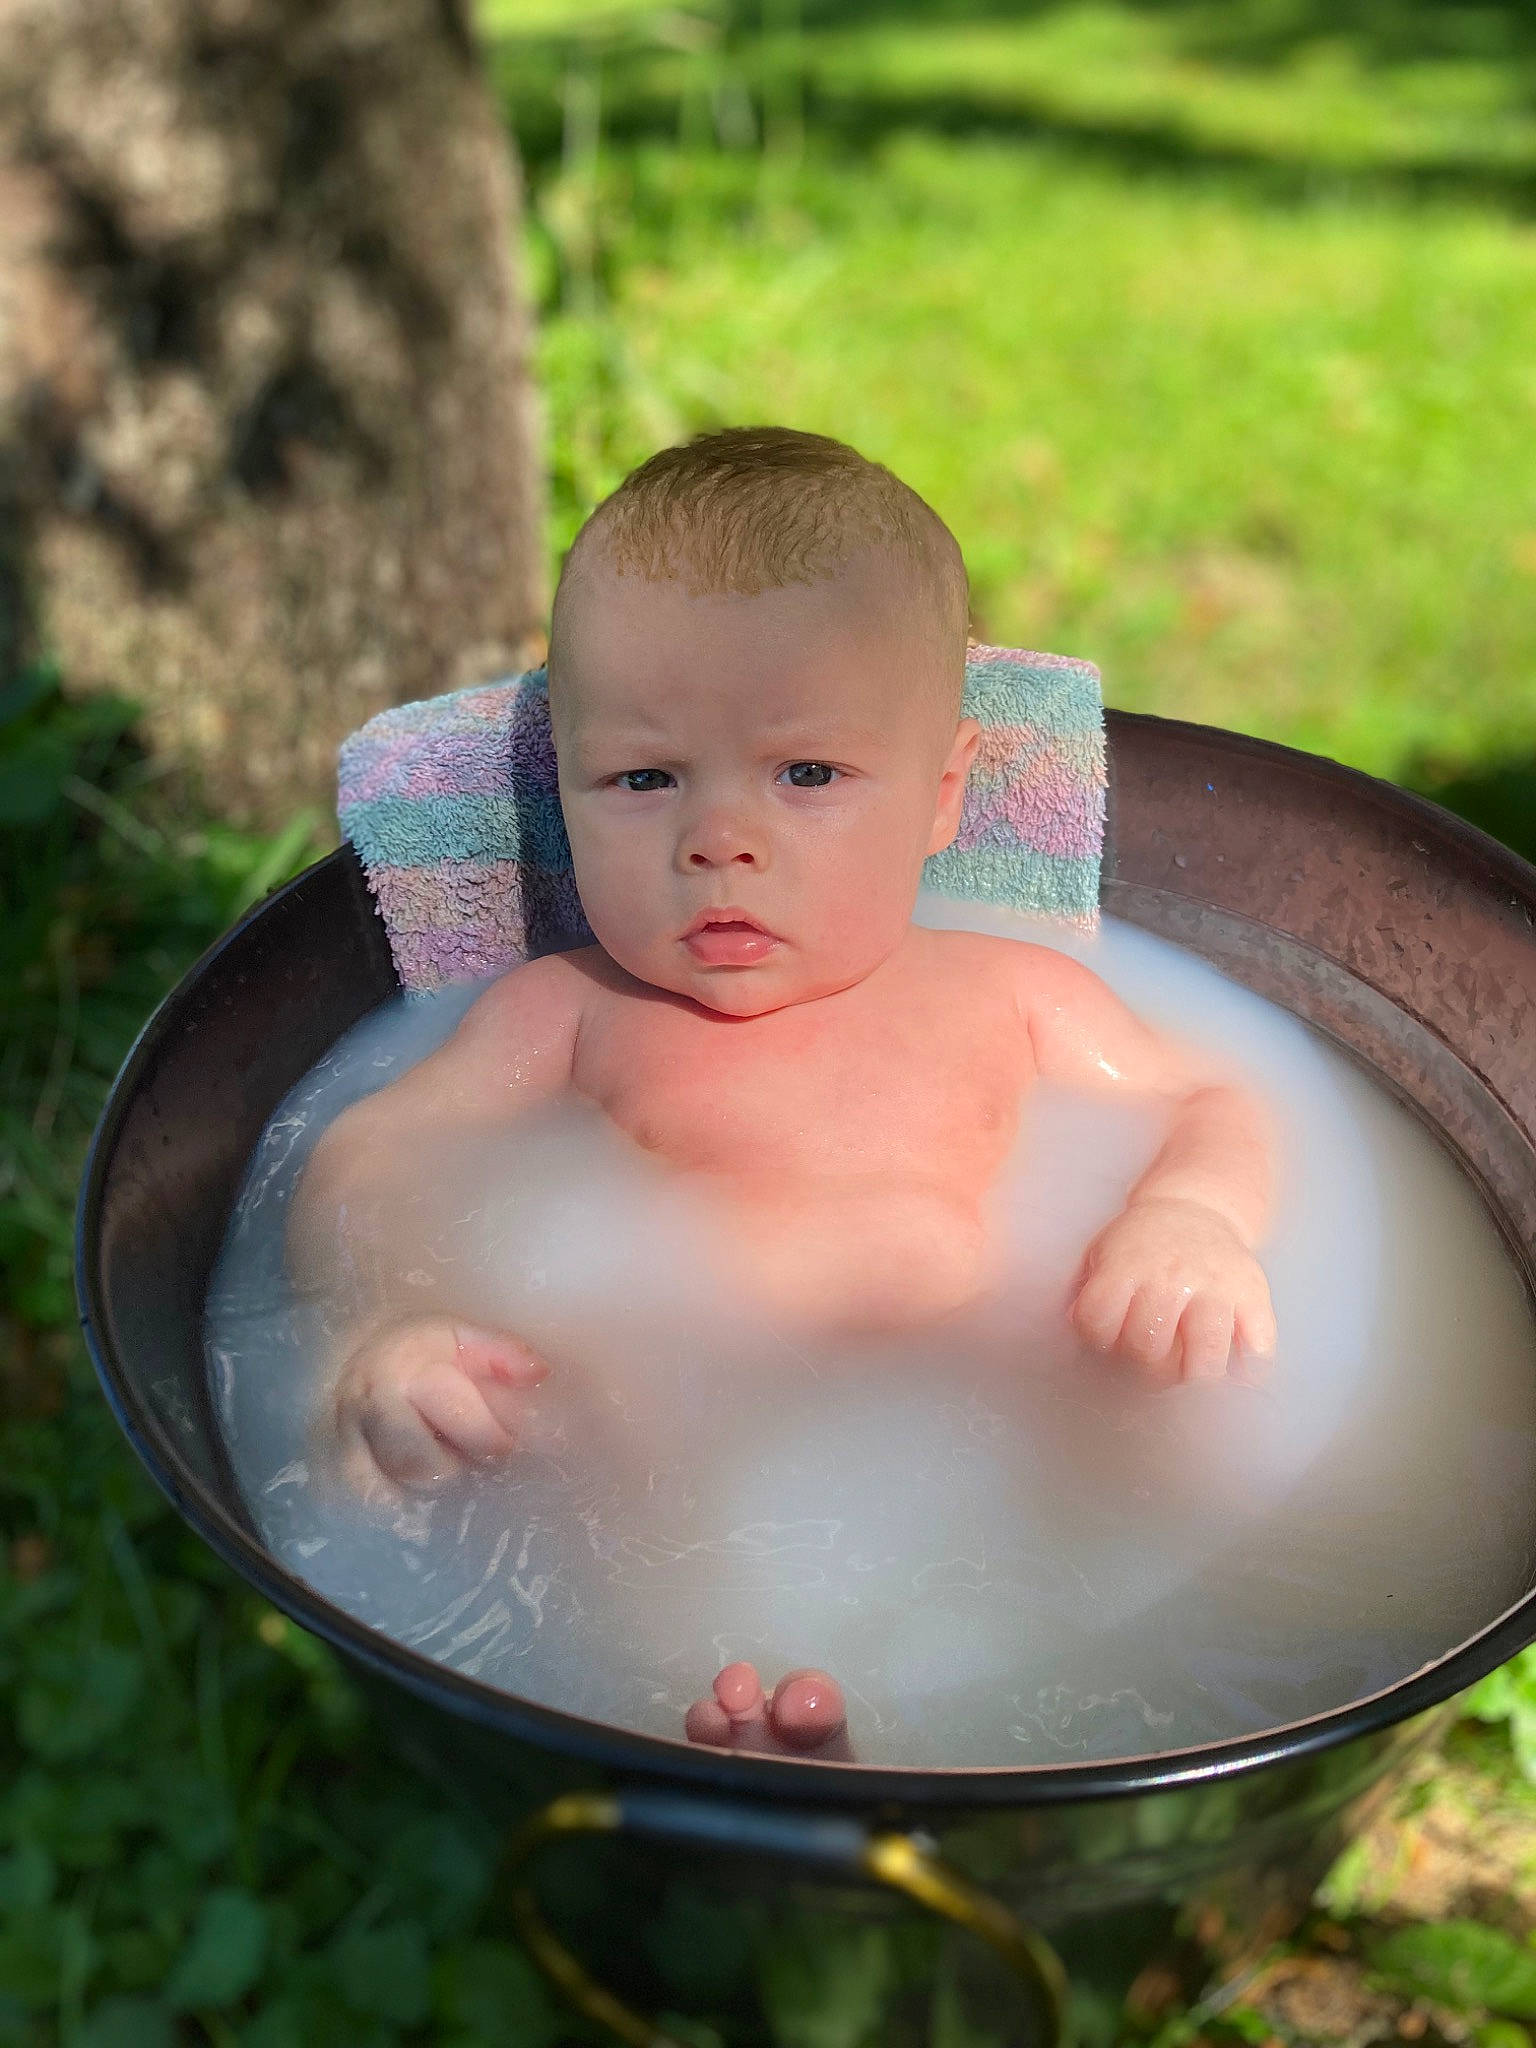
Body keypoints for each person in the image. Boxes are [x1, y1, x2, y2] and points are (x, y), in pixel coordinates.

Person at [289, 426, 1276, 1755]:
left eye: (807, 774)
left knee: (1162, 1448)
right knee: (605, 1481)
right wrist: (383, 1330)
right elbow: (372, 1151)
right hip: (680, 1419)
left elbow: (1218, 1098)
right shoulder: (567, 1012)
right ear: (561, 791)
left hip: (1000, 1383)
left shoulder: (1009, 994)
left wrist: (1193, 1223)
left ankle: (1073, 1693)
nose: (720, 840)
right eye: (643, 779)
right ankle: (720, 1728)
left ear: (941, 797)